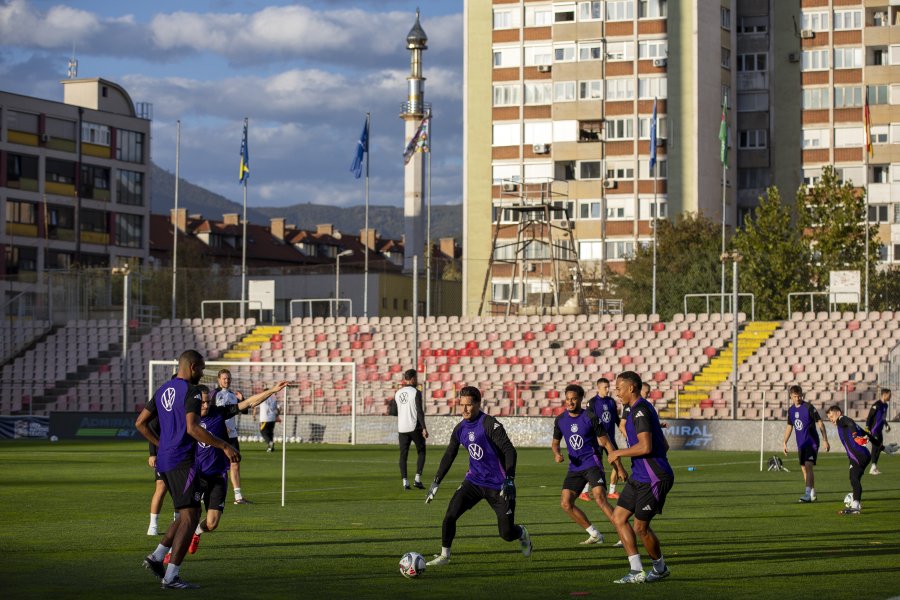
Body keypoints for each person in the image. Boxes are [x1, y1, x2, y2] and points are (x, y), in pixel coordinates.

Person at [135, 349, 240, 590]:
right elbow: (193, 428)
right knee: (191, 518)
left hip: (166, 461)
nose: (202, 373)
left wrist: (162, 446)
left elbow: (140, 423)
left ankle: (157, 557)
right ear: (193, 367)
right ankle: (171, 577)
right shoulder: (191, 391)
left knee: (185, 515)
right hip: (183, 461)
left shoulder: (162, 390)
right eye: (202, 368)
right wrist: (224, 445)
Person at [423, 386, 532, 566]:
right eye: (461, 405)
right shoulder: (460, 429)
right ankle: (444, 556)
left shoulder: (490, 424)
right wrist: (436, 482)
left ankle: (521, 533)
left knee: (506, 534)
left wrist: (510, 479)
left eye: (468, 405)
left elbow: (509, 450)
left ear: (478, 404)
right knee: (450, 515)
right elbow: (450, 454)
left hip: (499, 485)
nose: (464, 409)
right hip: (474, 481)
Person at [184, 380, 289, 556]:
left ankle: (196, 533)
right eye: (201, 402)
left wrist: (272, 390)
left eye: (207, 401)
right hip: (196, 475)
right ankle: (170, 552)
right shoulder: (188, 421)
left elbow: (248, 403)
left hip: (217, 476)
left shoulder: (219, 413)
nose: (205, 405)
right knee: (187, 518)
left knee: (212, 523)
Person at [607, 371, 674, 584]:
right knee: (618, 518)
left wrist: (618, 453)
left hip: (653, 478)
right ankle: (636, 571)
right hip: (640, 475)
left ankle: (660, 568)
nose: (616, 392)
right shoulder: (634, 409)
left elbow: (646, 446)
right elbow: (664, 445)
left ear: (631, 388)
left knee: (640, 527)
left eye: (619, 388)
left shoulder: (640, 411)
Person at [553, 384, 626, 545]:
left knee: (600, 498)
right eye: (567, 399)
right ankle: (594, 534)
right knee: (566, 503)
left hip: (592, 462)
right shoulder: (560, 420)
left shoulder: (590, 417)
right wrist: (557, 453)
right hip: (575, 466)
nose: (570, 402)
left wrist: (619, 467)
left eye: (573, 399)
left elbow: (607, 443)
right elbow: (555, 443)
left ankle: (623, 533)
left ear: (580, 399)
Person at [825, 405, 883, 515]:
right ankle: (856, 501)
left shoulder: (841, 419)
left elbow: (850, 421)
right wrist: (883, 447)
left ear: (838, 413)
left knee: (854, 478)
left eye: (831, 416)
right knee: (854, 479)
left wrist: (855, 436)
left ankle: (855, 506)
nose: (831, 419)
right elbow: (867, 435)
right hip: (861, 455)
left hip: (858, 455)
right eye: (829, 418)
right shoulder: (845, 425)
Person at [782, 385, 830, 502]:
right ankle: (812, 492)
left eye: (799, 396)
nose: (797, 398)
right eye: (795, 396)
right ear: (791, 397)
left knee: (808, 465)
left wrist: (825, 440)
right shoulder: (791, 410)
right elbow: (790, 426)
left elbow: (820, 422)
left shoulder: (808, 407)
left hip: (811, 442)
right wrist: (784, 442)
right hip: (801, 444)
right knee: (804, 468)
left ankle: (807, 494)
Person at [213, 369, 250, 504]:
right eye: (224, 378)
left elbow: (245, 411)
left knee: (235, 464)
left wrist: (242, 399)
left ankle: (238, 497)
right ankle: (206, 493)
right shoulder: (214, 395)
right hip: (217, 436)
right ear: (219, 379)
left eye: (228, 378)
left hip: (231, 436)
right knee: (213, 465)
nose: (226, 381)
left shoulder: (234, 396)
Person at [586, 377, 621, 499]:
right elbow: (588, 422)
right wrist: (594, 438)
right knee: (595, 466)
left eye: (608, 387)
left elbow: (617, 419)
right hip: (598, 441)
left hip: (610, 439)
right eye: (605, 387)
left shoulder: (611, 401)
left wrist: (624, 431)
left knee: (617, 462)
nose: (608, 389)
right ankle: (584, 491)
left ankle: (612, 491)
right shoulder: (592, 403)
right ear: (598, 388)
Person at [396, 369, 428, 490]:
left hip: (402, 428)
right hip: (414, 426)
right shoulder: (416, 392)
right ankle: (417, 479)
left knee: (403, 455)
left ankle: (405, 481)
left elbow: (393, 411)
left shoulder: (398, 393)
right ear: (413, 378)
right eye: (416, 377)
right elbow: (419, 411)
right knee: (421, 451)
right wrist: (424, 427)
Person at [146, 413, 173, 535]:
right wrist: (153, 453)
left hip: (183, 454)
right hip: (164, 454)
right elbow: (150, 428)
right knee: (161, 487)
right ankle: (153, 525)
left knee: (181, 490)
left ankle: (178, 523)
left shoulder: (186, 407)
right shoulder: (163, 410)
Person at [865, 389, 891, 475]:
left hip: (880, 430)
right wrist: (867, 429)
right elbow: (869, 417)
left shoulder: (886, 406)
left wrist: (887, 425)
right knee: (875, 447)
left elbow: (883, 418)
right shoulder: (876, 405)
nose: (890, 397)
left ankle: (874, 467)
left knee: (880, 447)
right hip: (874, 430)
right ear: (884, 395)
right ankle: (873, 467)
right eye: (889, 395)